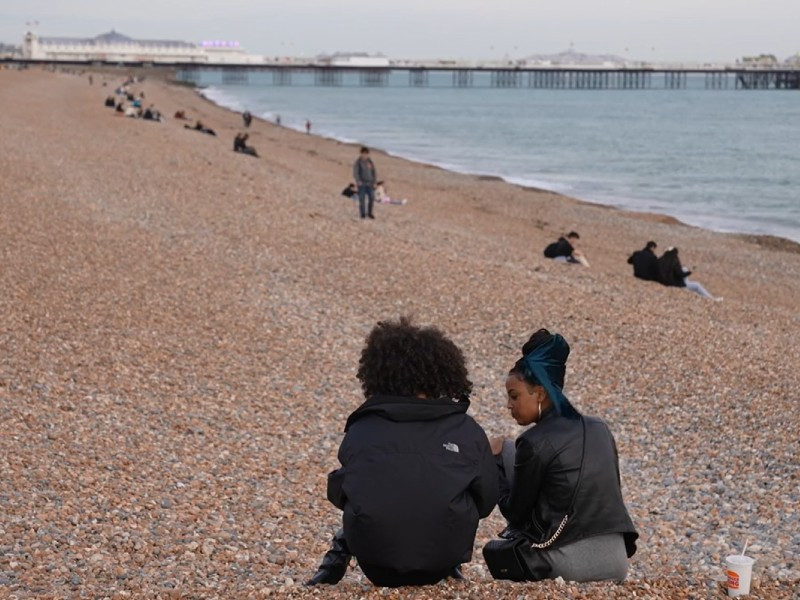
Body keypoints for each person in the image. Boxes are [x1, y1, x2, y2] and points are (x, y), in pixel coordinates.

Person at [307, 317, 499, 587]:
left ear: (379, 374)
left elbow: (341, 493)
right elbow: (488, 497)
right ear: (442, 375)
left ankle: (336, 557)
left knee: (361, 490)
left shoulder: (363, 427)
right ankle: (449, 556)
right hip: (442, 559)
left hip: (375, 564)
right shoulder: (465, 428)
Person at [485, 329, 638, 583]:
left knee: (496, 554)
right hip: (618, 560)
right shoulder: (599, 427)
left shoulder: (533, 442)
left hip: (571, 564)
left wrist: (499, 463)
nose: (508, 405)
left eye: (514, 396)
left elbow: (516, 514)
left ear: (541, 394)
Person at [353, 147, 377, 219]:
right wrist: (358, 181)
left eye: (366, 154)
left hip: (370, 183)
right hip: (362, 184)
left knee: (372, 198)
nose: (365, 155)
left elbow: (374, 172)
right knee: (362, 199)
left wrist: (375, 182)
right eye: (363, 154)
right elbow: (355, 173)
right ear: (361, 153)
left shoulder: (370, 162)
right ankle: (363, 213)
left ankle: (370, 213)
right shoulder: (358, 162)